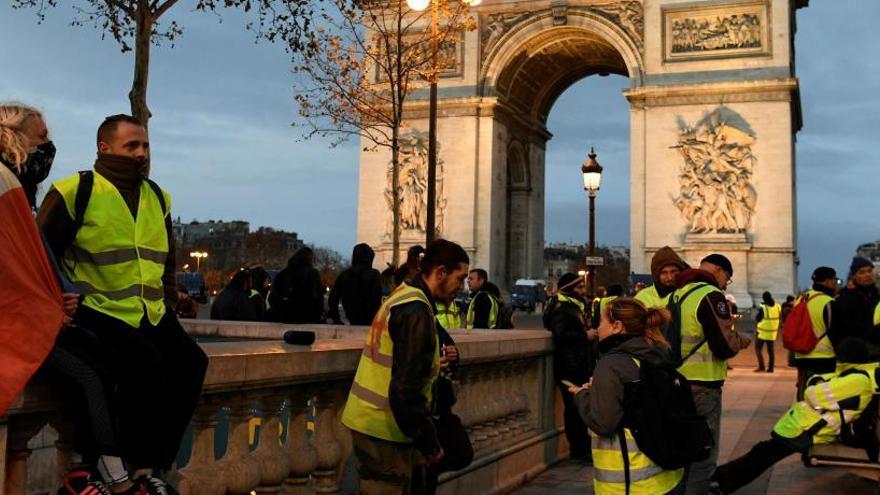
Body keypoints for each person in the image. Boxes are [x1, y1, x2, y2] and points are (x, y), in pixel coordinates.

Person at [38, 114, 208, 492]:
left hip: (151, 311)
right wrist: (58, 307)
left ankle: (152, 467)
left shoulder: (158, 197)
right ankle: (129, 469)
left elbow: (164, 259)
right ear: (105, 148)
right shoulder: (73, 191)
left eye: (145, 145)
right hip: (95, 308)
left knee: (193, 364)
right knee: (142, 364)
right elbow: (41, 255)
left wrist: (169, 296)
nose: (141, 153)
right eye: (132, 145)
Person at [1, 104, 141, 495]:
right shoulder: (7, 185)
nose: (49, 145)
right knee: (89, 373)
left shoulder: (20, 188)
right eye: (42, 136)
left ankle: (85, 469)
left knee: (100, 360)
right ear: (14, 136)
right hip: (20, 324)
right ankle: (116, 479)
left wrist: (56, 295)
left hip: (36, 315)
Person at [341, 239, 470, 494]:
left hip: (373, 422)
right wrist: (429, 443)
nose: (461, 286)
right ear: (441, 272)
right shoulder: (415, 311)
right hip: (385, 429)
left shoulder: (403, 295)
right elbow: (405, 389)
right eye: (460, 278)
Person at [711, 337, 878, 494]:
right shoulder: (853, 375)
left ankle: (721, 481)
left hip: (812, 430)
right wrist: (819, 384)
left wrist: (817, 385)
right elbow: (817, 380)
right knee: (763, 452)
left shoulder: (857, 380)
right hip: (808, 426)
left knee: (763, 454)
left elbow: (812, 393)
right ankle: (722, 479)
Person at [567, 298, 685, 494]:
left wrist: (582, 396)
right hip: (665, 477)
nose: (597, 328)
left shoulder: (611, 364)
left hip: (629, 482)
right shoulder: (654, 353)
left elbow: (604, 423)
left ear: (617, 326)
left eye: (601, 322)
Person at [671, 253, 736, 495]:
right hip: (703, 384)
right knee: (704, 451)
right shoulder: (711, 295)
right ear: (719, 271)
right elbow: (723, 346)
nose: (724, 285)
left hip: (677, 381)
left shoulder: (678, 293)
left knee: (683, 447)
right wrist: (738, 342)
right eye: (727, 279)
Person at [545, 273, 595, 463]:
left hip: (575, 364)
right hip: (569, 366)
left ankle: (581, 445)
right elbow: (560, 334)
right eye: (579, 287)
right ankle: (579, 449)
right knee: (575, 410)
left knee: (578, 408)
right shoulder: (561, 308)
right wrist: (586, 335)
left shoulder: (569, 305)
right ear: (569, 289)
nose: (583, 291)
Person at [793, 267, 837, 400]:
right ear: (828, 281)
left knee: (803, 387)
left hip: (801, 353)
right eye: (835, 279)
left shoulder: (801, 299)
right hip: (823, 355)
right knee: (821, 392)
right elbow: (833, 330)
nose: (835, 282)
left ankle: (801, 414)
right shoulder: (828, 302)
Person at [830, 257, 880, 357]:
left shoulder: (877, 295)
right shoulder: (845, 297)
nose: (867, 275)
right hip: (854, 352)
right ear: (854, 276)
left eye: (869, 271)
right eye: (862, 272)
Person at [327, 243, 383, 325]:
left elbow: (332, 299)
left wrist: (336, 319)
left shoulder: (344, 275)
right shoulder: (374, 274)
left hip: (351, 317)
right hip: (370, 320)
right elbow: (376, 300)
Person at [267, 247, 325, 323]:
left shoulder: (283, 274)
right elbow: (317, 297)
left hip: (285, 316)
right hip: (307, 316)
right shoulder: (312, 273)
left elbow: (273, 297)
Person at [753, 291, 781, 372]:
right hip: (772, 332)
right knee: (771, 351)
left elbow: (758, 318)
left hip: (762, 332)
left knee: (758, 349)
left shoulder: (763, 308)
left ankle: (761, 366)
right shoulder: (778, 306)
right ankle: (771, 368)